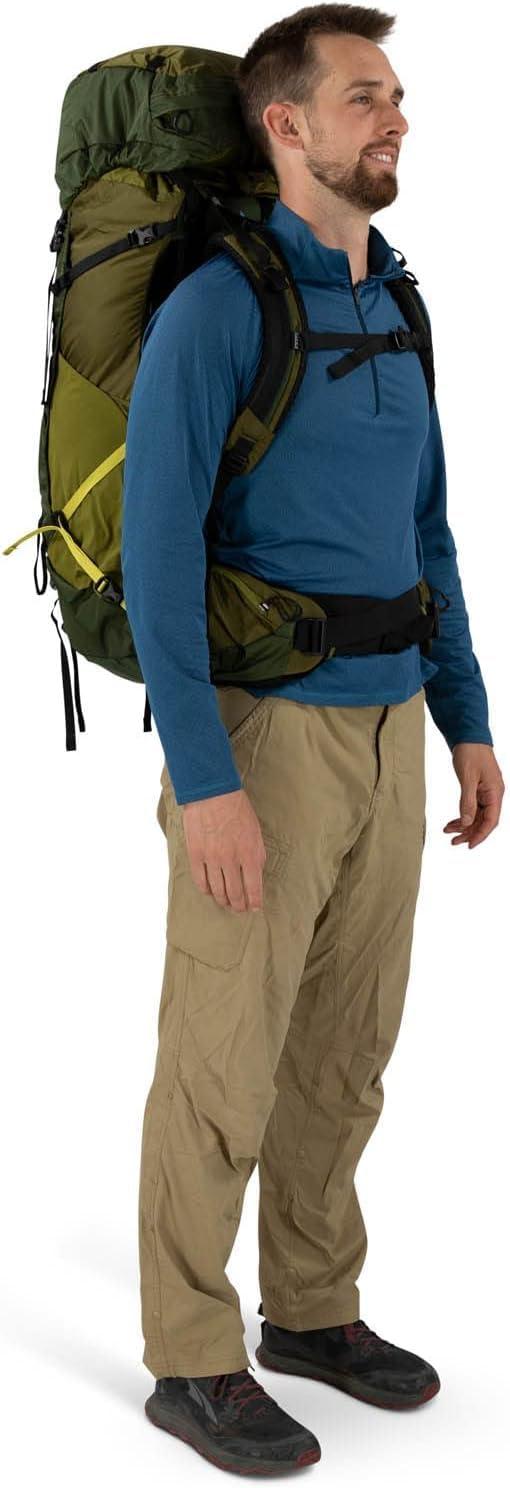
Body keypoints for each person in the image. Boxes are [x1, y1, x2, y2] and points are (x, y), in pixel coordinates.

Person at [121, 4, 504, 1474]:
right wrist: (205, 779)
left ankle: (312, 1311)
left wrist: (465, 718)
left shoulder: (397, 297)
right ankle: (190, 1357)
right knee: (222, 1061)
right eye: (363, 97)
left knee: (345, 1055)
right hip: (264, 734)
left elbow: (428, 529)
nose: (394, 119)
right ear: (286, 125)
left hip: (392, 726)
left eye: (395, 95)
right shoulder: (218, 305)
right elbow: (160, 557)